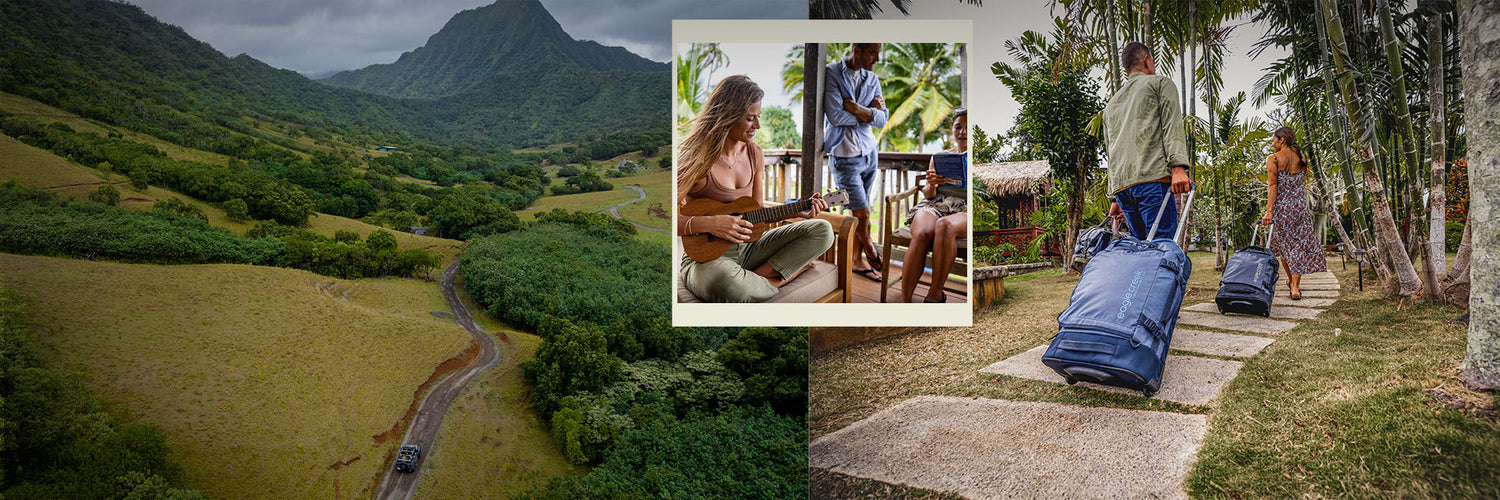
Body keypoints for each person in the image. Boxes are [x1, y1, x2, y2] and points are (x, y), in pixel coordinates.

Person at [677, 75, 833, 303]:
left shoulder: (755, 154)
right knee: (724, 280)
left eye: (758, 117)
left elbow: (757, 211)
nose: (757, 126)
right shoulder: (697, 159)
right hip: (706, 259)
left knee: (823, 230)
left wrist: (796, 212)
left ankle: (756, 279)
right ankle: (777, 280)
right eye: (750, 119)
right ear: (728, 116)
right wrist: (712, 224)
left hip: (749, 247)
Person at [1102, 41, 1192, 240]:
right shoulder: (1160, 84)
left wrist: (1114, 198)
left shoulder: (1111, 106)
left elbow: (1111, 150)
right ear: (1146, 60)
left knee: (1141, 249)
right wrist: (1178, 168)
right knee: (1161, 246)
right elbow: (1172, 126)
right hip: (1151, 180)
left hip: (1122, 188)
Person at [823, 43, 887, 282]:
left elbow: (882, 120)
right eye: (872, 52)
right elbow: (835, 116)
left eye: (879, 53)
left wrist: (859, 108)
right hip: (845, 155)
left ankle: (856, 261)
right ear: (857, 50)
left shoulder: (872, 78)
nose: (877, 59)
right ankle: (870, 251)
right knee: (861, 212)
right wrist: (868, 113)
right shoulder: (832, 72)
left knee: (862, 213)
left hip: (870, 152)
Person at [901, 109, 968, 303]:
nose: (962, 132)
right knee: (921, 232)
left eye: (967, 128)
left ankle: (934, 295)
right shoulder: (940, 157)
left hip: (965, 208)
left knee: (944, 226)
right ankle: (904, 302)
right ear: (952, 130)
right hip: (936, 203)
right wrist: (932, 184)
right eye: (958, 127)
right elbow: (929, 194)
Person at [1259, 127, 1327, 300]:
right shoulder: (1302, 158)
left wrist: (1269, 212)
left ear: (1282, 140)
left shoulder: (1273, 159)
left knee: (1284, 247)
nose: (1272, 142)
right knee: (1297, 246)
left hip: (1282, 209)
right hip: (1299, 208)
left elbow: (1273, 186)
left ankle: (1294, 285)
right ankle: (1294, 284)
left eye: (1274, 139)